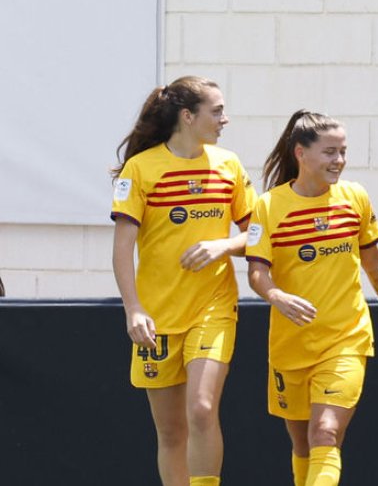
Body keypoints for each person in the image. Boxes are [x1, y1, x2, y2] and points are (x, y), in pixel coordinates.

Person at [246, 110, 378, 486]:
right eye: (329, 152)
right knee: (304, 445)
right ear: (300, 153)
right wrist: (277, 295)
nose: (338, 161)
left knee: (325, 432)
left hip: (345, 338)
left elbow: (372, 259)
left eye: (343, 151)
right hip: (291, 345)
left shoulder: (354, 198)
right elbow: (257, 272)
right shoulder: (269, 206)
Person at [110, 76, 256, 486]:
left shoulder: (228, 165)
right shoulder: (141, 169)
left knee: (202, 408)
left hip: (213, 307)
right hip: (156, 316)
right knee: (172, 431)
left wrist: (224, 246)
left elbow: (260, 236)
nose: (225, 119)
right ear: (188, 116)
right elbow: (123, 248)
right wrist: (133, 309)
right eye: (217, 111)